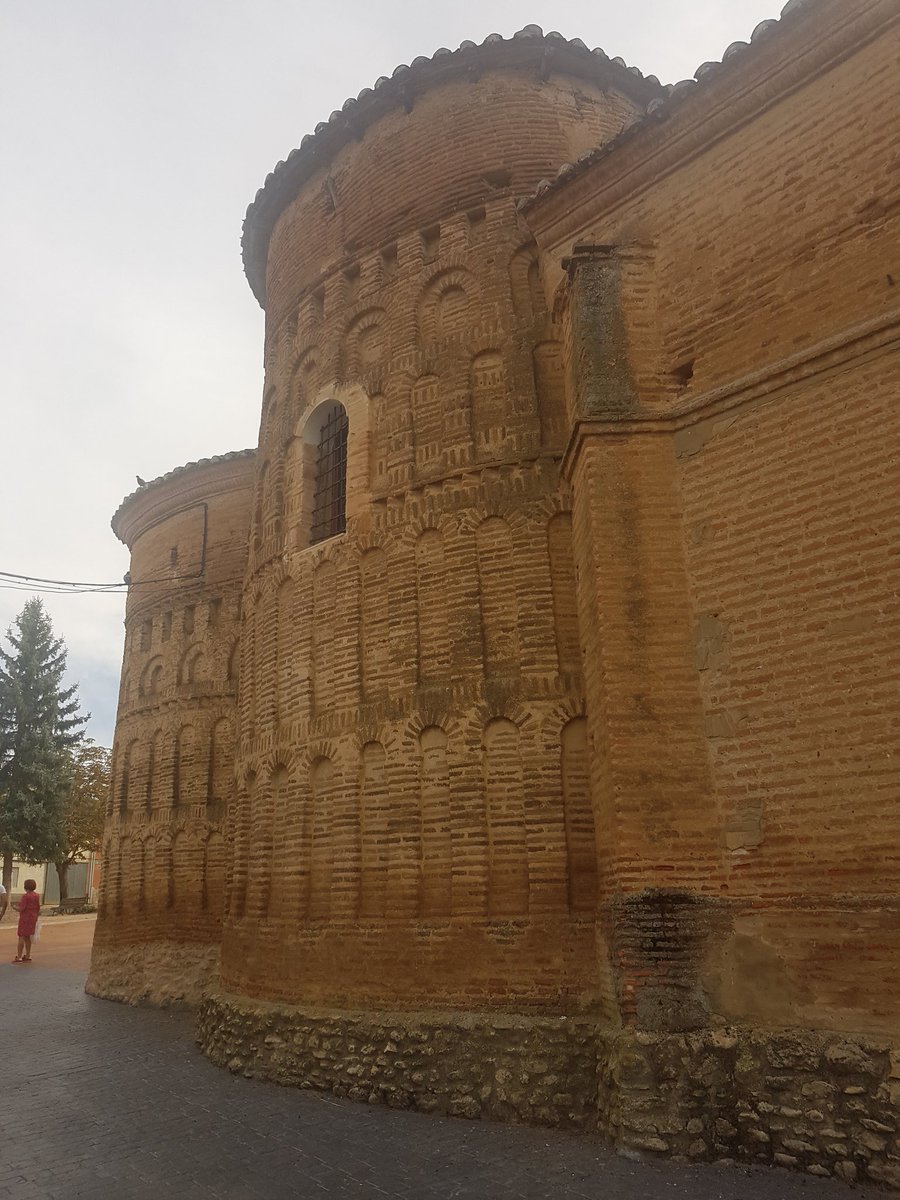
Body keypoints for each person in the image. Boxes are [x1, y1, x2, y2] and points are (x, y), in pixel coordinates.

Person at [12, 879, 40, 963]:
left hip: (25, 919)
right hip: (33, 918)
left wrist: (14, 907)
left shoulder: (25, 896)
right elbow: (38, 907)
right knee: (28, 937)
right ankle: (28, 955)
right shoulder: (37, 896)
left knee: (21, 936)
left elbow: (22, 908)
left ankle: (19, 956)